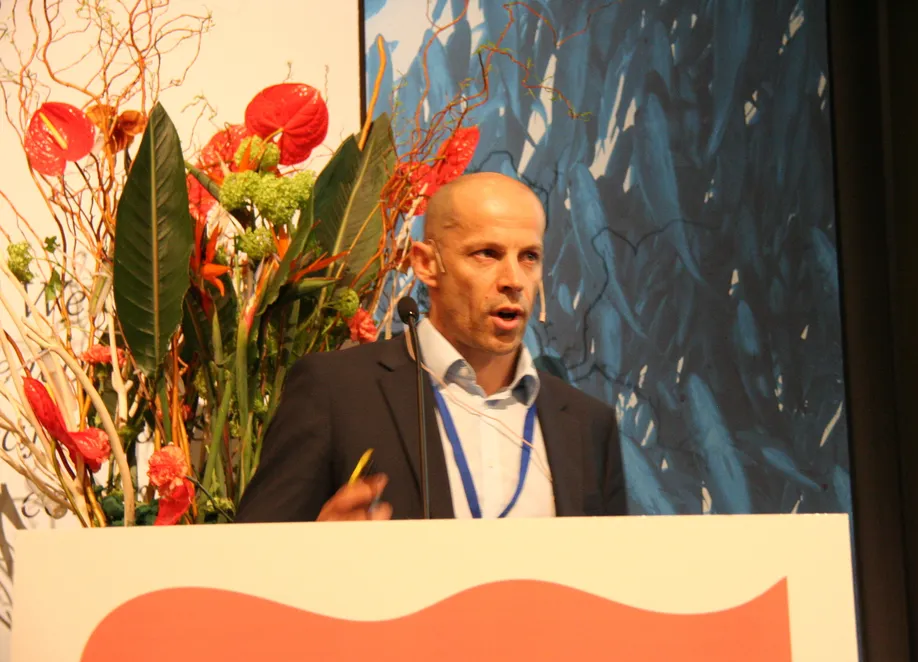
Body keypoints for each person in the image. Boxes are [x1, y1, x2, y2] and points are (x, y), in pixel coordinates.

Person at [235, 172, 626, 522]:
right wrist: (317, 549)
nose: (514, 280)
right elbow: (250, 558)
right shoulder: (335, 392)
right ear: (425, 264)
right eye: (487, 254)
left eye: (529, 257)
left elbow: (616, 571)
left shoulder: (588, 424)